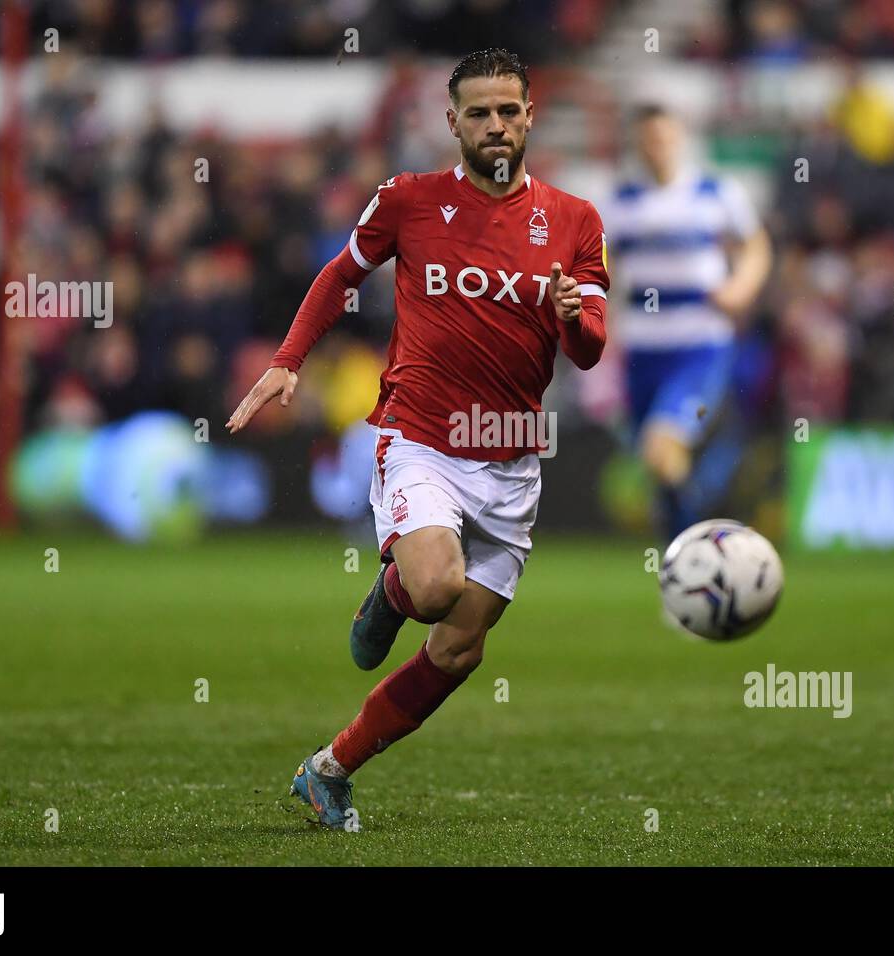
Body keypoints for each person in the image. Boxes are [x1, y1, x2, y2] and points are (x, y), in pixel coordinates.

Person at [225, 48, 610, 830]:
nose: (495, 126)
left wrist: (574, 315)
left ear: (530, 116)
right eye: (479, 113)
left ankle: (329, 770)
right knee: (435, 587)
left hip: (511, 455)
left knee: (460, 651)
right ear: (453, 123)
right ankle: (396, 590)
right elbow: (340, 275)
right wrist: (287, 362)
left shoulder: (576, 221)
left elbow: (591, 348)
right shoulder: (408, 200)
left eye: (508, 110)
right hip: (421, 437)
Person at [603, 105, 771, 539]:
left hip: (699, 343)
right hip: (642, 348)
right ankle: (687, 558)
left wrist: (740, 288)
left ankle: (701, 546)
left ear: (679, 138)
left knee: (662, 448)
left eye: (663, 137)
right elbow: (603, 268)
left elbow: (756, 247)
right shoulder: (620, 204)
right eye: (647, 139)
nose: (656, 147)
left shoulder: (714, 192)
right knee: (660, 463)